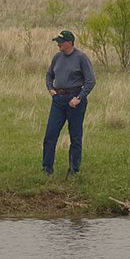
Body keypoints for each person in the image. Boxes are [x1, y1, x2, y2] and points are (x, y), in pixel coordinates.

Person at [43, 30, 95, 173]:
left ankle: (74, 169)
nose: (58, 44)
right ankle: (47, 168)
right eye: (58, 42)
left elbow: (91, 81)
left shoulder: (81, 58)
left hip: (74, 100)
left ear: (69, 43)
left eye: (61, 42)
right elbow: (49, 74)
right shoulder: (57, 57)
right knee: (50, 134)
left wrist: (79, 98)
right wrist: (50, 88)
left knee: (75, 136)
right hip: (58, 100)